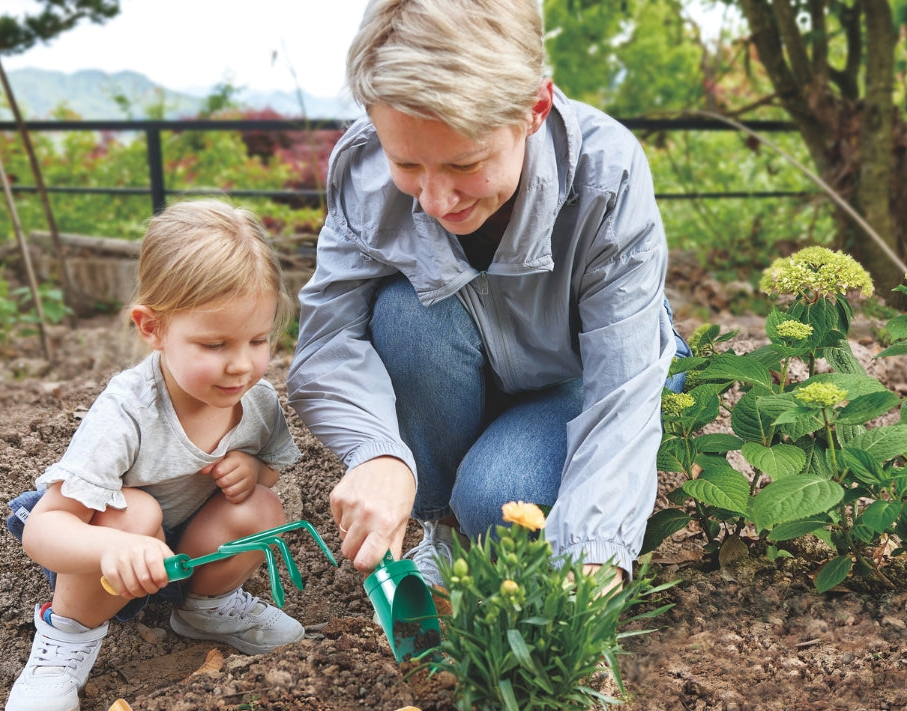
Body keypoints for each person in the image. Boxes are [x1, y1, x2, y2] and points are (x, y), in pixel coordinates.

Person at [287, 0, 690, 592]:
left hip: (582, 374)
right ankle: (442, 532)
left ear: (535, 108)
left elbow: (621, 391)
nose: (434, 199)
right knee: (403, 311)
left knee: (499, 504)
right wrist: (378, 453)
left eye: (465, 163)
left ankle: (477, 506)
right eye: (406, 163)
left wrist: (592, 560)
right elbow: (326, 345)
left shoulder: (607, 175)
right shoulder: (366, 174)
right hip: (474, 359)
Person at [4, 199, 305, 711]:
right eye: (214, 344)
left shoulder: (254, 400)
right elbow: (47, 530)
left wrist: (252, 471)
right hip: (100, 542)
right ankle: (66, 634)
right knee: (135, 510)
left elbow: (270, 471)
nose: (242, 364)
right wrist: (118, 546)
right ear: (152, 328)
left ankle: (205, 607)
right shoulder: (127, 411)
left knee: (260, 505)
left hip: (179, 550)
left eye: (260, 340)